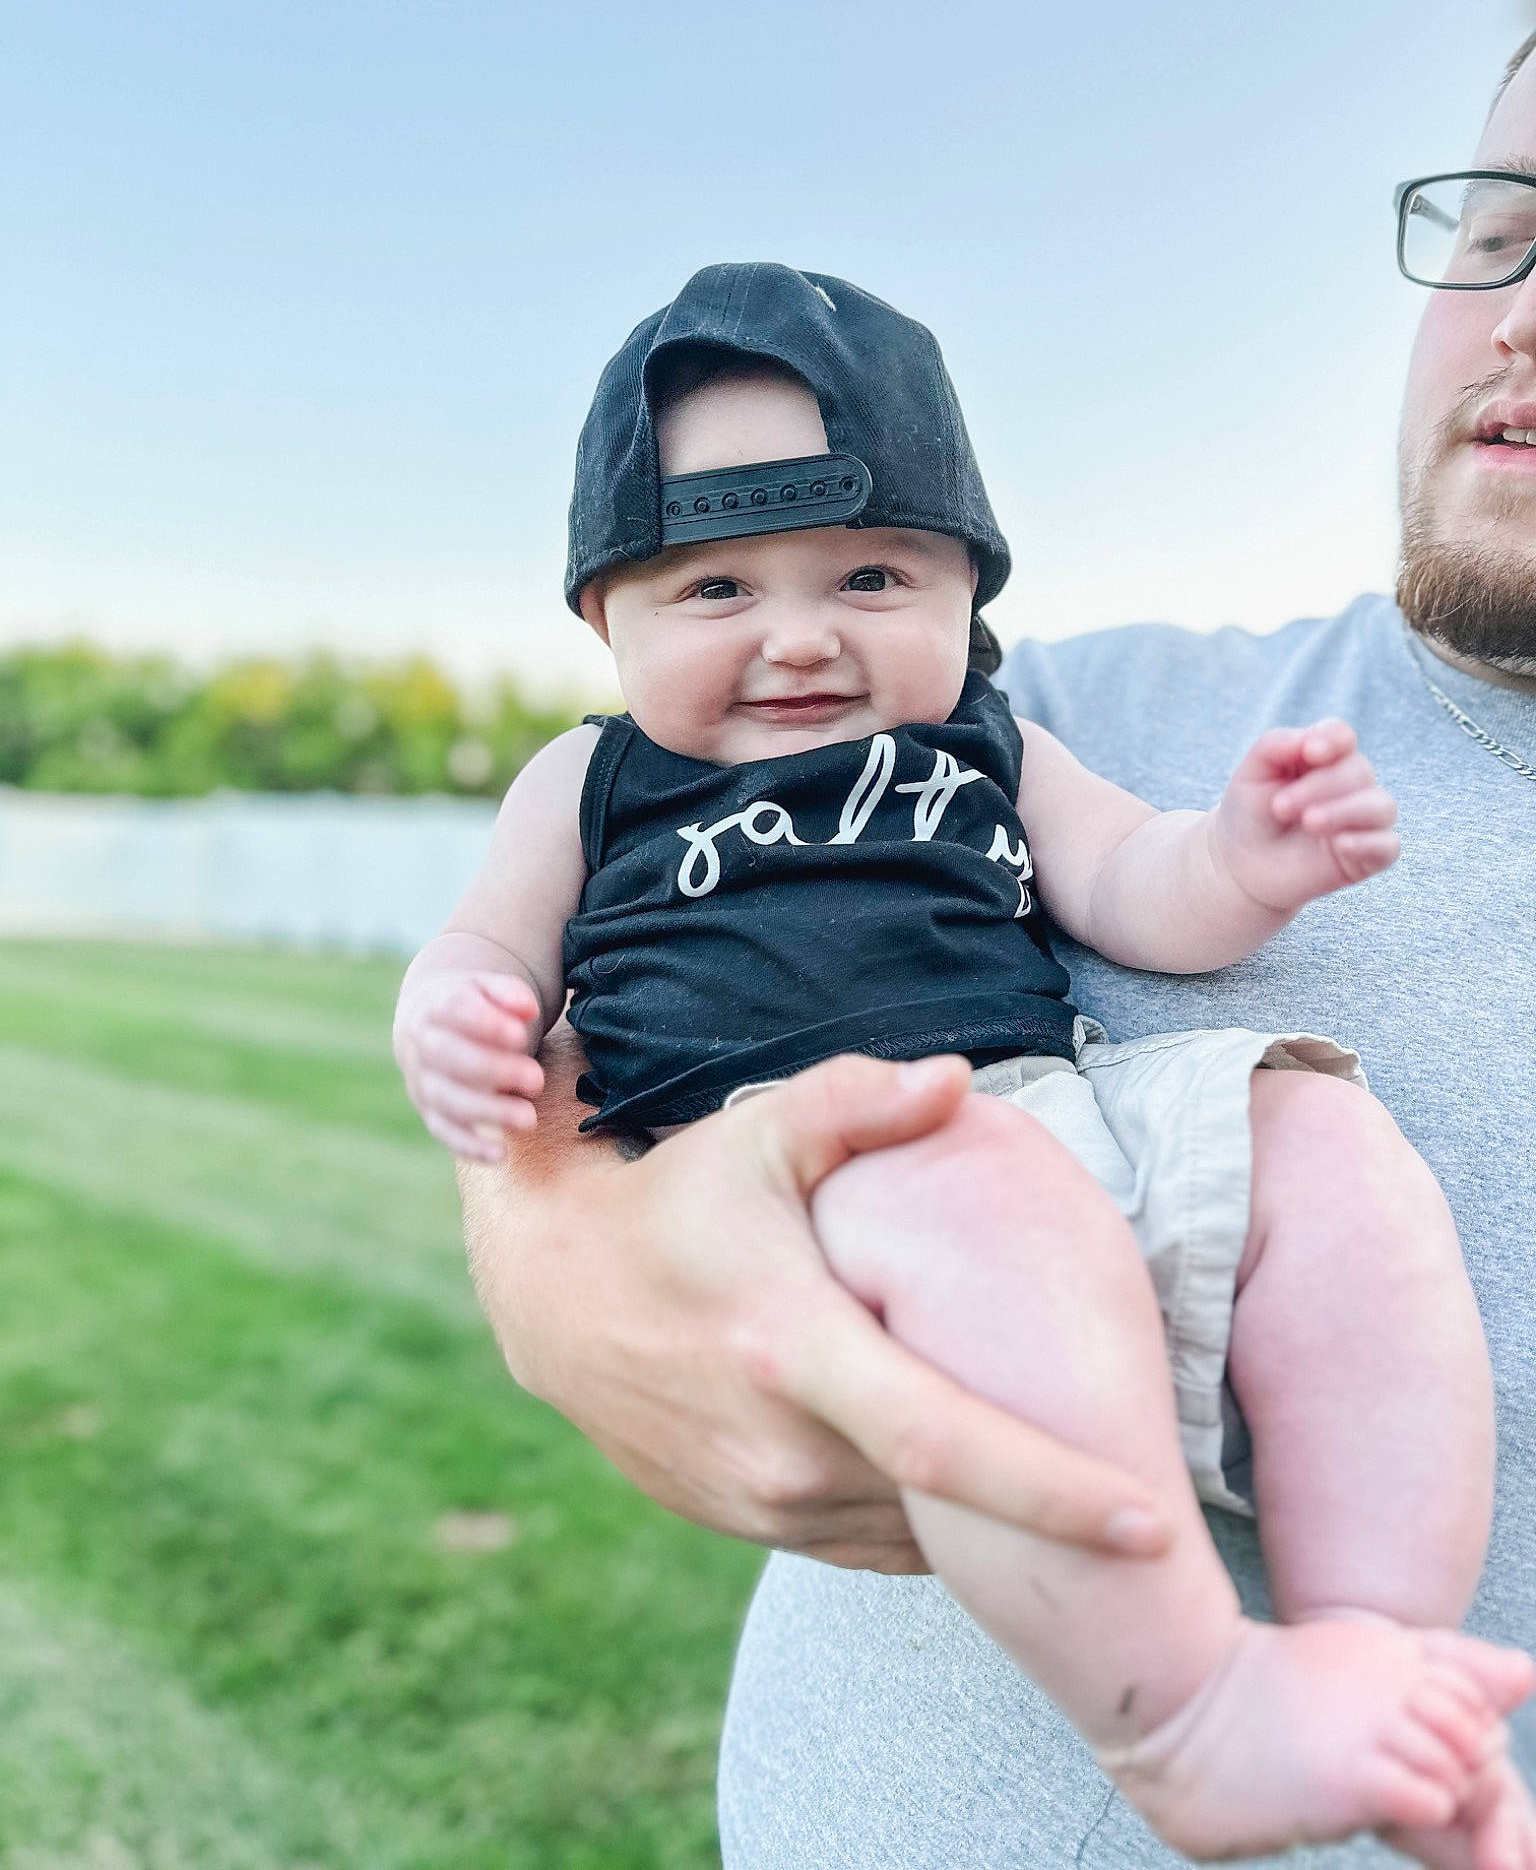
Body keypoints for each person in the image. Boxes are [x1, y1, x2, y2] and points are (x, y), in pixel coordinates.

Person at [400, 253, 1536, 1864]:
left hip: (1047, 1101)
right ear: (607, 617)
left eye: (870, 580)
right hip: (813, 1164)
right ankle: (1185, 1711)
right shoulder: (590, 784)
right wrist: (454, 1017)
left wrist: (1249, 854)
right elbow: (483, 952)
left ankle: (1372, 1645)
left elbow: (1139, 886)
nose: (799, 640)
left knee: (1318, 1130)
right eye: (719, 590)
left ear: (964, 596)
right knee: (989, 1188)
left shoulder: (996, 742)